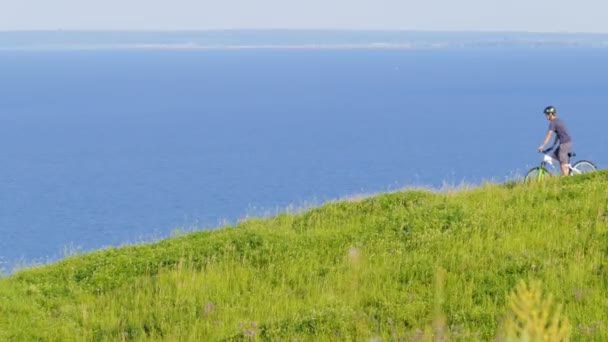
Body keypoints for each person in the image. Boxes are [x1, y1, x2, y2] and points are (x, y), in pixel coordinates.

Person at [537, 105, 572, 176]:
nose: (545, 116)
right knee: (555, 156)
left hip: (564, 144)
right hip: (565, 143)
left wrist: (542, 146)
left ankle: (567, 179)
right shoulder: (558, 121)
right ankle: (567, 173)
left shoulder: (553, 123)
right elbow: (558, 134)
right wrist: (554, 145)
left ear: (550, 114)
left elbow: (548, 135)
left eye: (546, 114)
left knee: (562, 163)